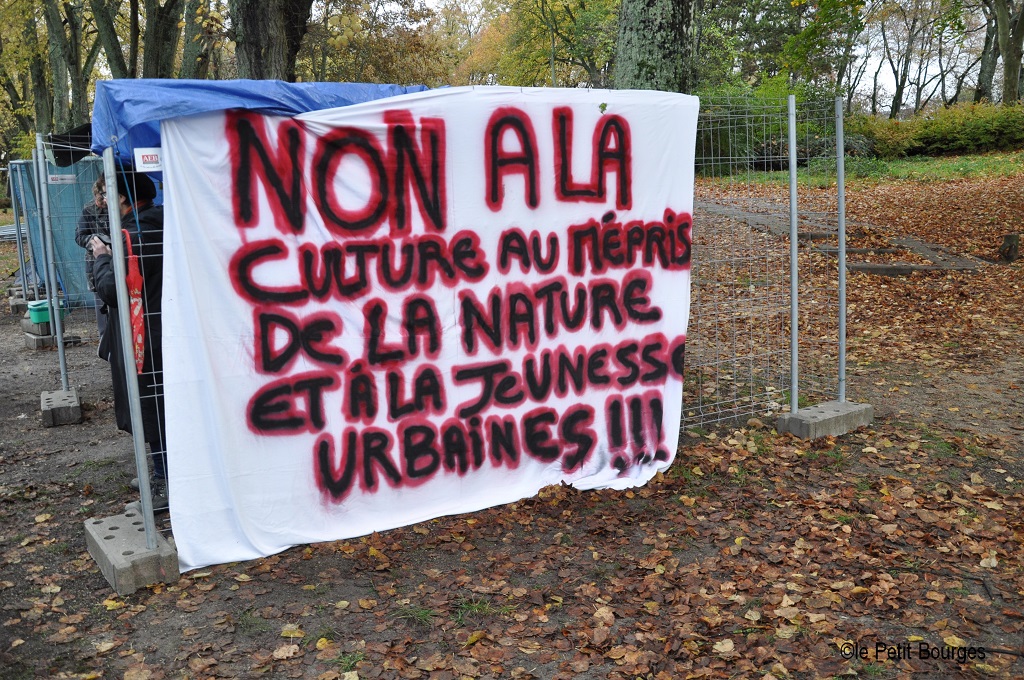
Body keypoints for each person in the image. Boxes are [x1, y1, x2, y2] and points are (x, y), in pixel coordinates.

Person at [90, 170, 168, 509]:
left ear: (123, 197)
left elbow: (111, 290)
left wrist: (102, 258)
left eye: (107, 192)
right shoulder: (163, 223)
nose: (103, 200)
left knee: (151, 408)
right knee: (161, 406)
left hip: (144, 337)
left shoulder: (133, 235)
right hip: (164, 331)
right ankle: (161, 472)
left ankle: (164, 482)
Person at [75, 177, 108, 338]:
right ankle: (105, 342)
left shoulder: (121, 208)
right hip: (96, 264)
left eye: (104, 197)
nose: (100, 201)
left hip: (122, 261)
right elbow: (80, 236)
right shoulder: (88, 210)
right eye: (98, 197)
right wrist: (98, 240)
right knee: (101, 303)